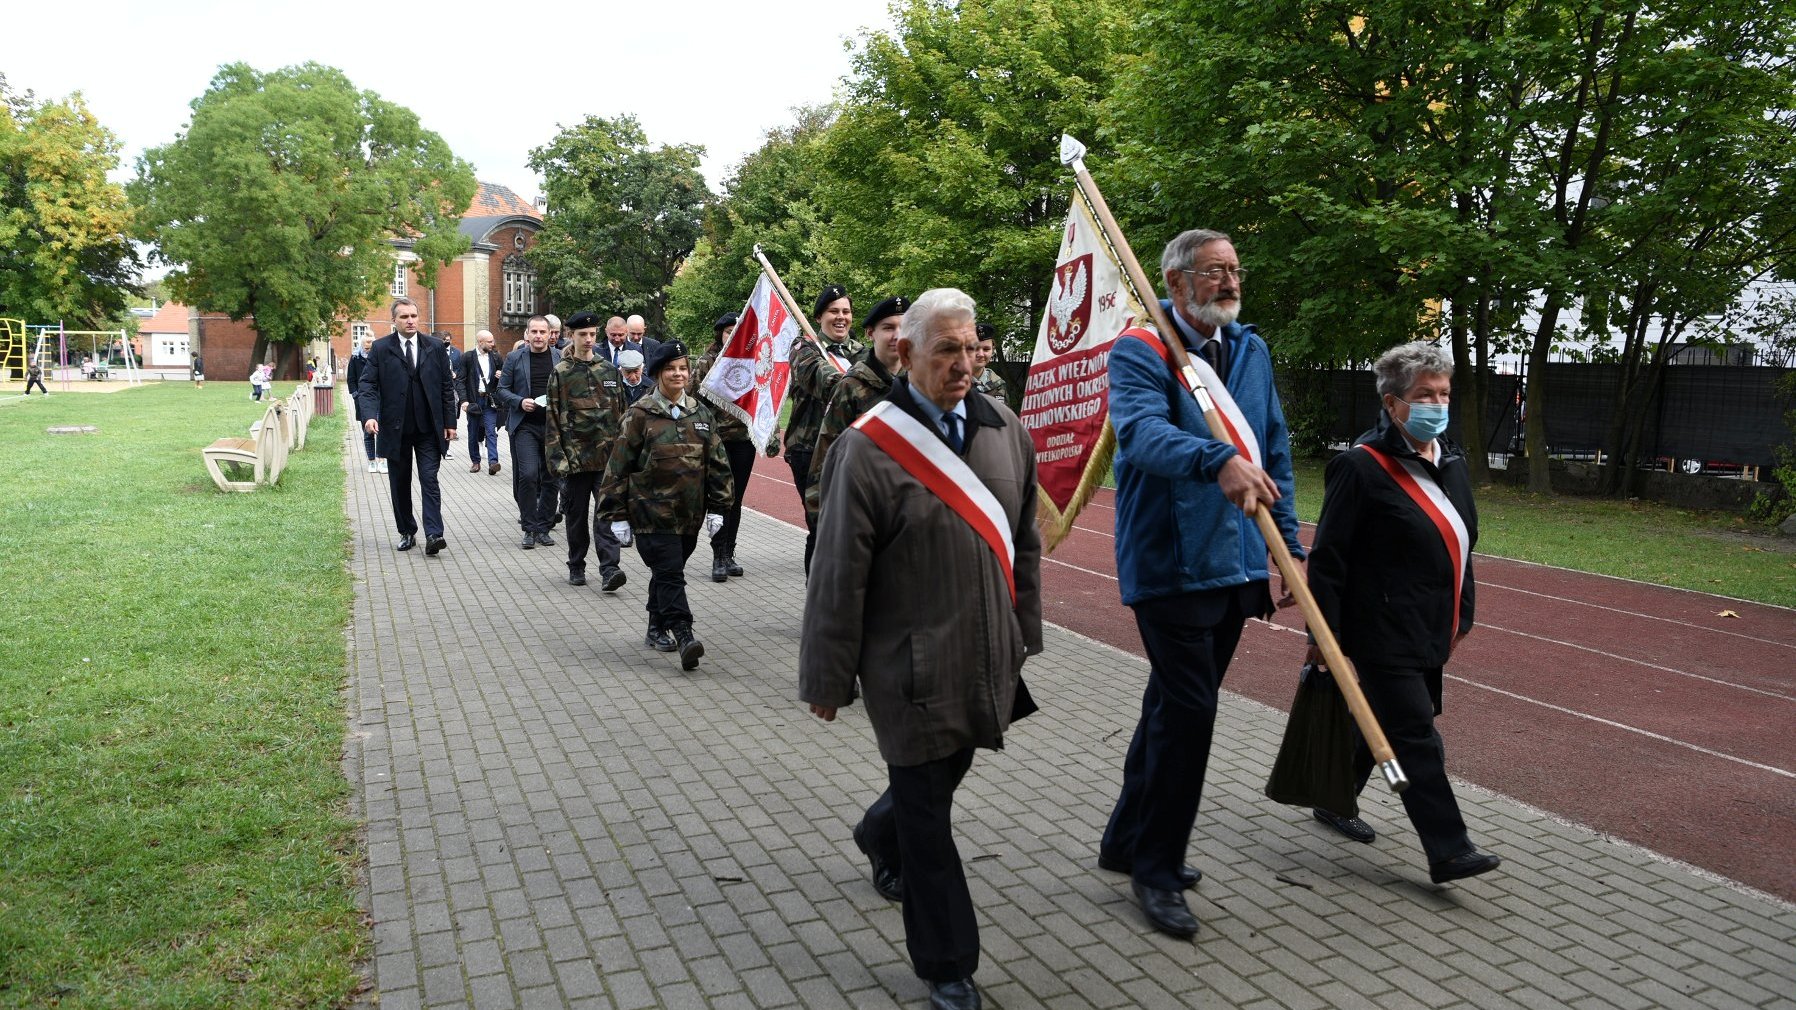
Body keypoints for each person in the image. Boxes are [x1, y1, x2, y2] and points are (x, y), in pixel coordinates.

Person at [800, 288, 1042, 1010]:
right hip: (905, 666)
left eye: (973, 349)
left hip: (986, 656)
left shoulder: (1005, 429)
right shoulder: (867, 449)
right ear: (905, 353)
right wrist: (827, 676)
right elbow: (838, 573)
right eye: (947, 350)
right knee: (930, 814)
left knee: (939, 778)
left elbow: (1024, 542)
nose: (965, 364)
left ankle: (878, 830)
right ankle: (947, 962)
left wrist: (1026, 632)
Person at [1101, 228, 1305, 939]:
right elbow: (1141, 434)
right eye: (1214, 272)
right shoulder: (1140, 349)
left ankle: (1125, 839)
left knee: (1173, 703)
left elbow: (1273, 448)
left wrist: (1291, 550)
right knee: (1190, 715)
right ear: (1176, 280)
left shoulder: (1250, 348)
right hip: (1170, 566)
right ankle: (1156, 871)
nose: (1228, 281)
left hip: (1239, 560)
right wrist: (1215, 460)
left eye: (1234, 271)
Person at [1304, 341, 1500, 886]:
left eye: (1443, 393)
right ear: (1392, 405)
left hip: (1431, 627)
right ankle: (1449, 849)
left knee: (1396, 721)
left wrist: (1463, 615)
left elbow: (1463, 543)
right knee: (1415, 734)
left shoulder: (1452, 463)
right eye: (1423, 395)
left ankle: (1332, 794)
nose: (1437, 404)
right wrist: (1323, 634)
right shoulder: (1361, 467)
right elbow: (1330, 559)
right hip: (1379, 630)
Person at [598, 340, 732, 670]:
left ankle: (655, 626)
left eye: (683, 368)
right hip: (650, 513)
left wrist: (719, 506)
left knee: (668, 571)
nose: (678, 374)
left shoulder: (700, 414)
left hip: (689, 514)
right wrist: (616, 515)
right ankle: (684, 634)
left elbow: (717, 463)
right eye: (671, 369)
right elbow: (618, 465)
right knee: (670, 572)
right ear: (658, 373)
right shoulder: (640, 414)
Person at [355, 297, 458, 555]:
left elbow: (447, 386)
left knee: (429, 479)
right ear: (394, 321)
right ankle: (407, 531)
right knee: (400, 483)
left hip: (428, 429)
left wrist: (450, 422)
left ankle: (434, 534)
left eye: (413, 316)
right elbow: (367, 385)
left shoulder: (434, 347)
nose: (410, 320)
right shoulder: (381, 348)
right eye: (404, 317)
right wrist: (369, 416)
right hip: (395, 429)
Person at [804, 296, 907, 530]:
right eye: (889, 328)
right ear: (871, 333)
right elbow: (827, 456)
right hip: (862, 511)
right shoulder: (851, 387)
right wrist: (825, 523)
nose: (898, 335)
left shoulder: (922, 385)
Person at [547, 312, 630, 591]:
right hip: (575, 460)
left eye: (593, 334)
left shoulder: (608, 370)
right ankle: (576, 564)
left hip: (606, 459)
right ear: (572, 335)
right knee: (576, 516)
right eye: (583, 334)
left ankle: (610, 568)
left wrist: (624, 455)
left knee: (606, 514)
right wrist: (558, 459)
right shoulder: (561, 372)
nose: (589, 339)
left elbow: (622, 414)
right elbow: (553, 419)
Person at [694, 311, 777, 582]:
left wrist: (770, 433)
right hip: (716, 441)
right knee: (719, 497)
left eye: (737, 331)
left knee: (736, 498)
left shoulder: (754, 360)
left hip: (743, 439)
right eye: (729, 331)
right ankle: (717, 555)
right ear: (720, 334)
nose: (732, 335)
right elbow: (694, 399)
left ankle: (729, 552)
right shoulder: (709, 362)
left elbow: (765, 398)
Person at [784, 284, 861, 572]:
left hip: (855, 448)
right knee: (822, 525)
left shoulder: (862, 353)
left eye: (846, 311)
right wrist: (858, 383)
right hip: (811, 449)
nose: (841, 317)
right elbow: (824, 380)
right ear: (819, 317)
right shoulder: (803, 348)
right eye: (833, 311)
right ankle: (819, 599)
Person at [496, 316, 562, 550]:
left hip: (552, 426)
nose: (538, 336)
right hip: (524, 425)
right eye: (534, 331)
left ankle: (544, 527)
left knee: (551, 476)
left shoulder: (559, 357)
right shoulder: (515, 358)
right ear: (527, 334)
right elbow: (501, 390)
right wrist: (519, 401)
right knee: (528, 475)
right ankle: (529, 527)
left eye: (542, 332)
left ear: (549, 334)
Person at [461, 330, 504, 475]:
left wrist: (501, 375)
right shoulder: (467, 357)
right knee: (473, 432)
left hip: (489, 400)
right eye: (490, 341)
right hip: (474, 401)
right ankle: (475, 462)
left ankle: (493, 462)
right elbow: (460, 381)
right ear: (480, 342)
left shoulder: (496, 357)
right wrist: (464, 400)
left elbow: (506, 377)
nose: (493, 344)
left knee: (491, 431)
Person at [347, 335, 383, 473]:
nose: (368, 350)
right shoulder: (355, 358)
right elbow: (351, 378)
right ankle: (371, 461)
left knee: (381, 429)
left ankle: (381, 460)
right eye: (366, 347)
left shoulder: (379, 357)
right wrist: (356, 395)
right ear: (362, 345)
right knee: (368, 431)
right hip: (363, 400)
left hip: (380, 398)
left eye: (371, 347)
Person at [970, 323, 1006, 401]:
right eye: (975, 348)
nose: (981, 354)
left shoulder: (999, 385)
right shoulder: (954, 384)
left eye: (986, 349)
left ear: (992, 351)